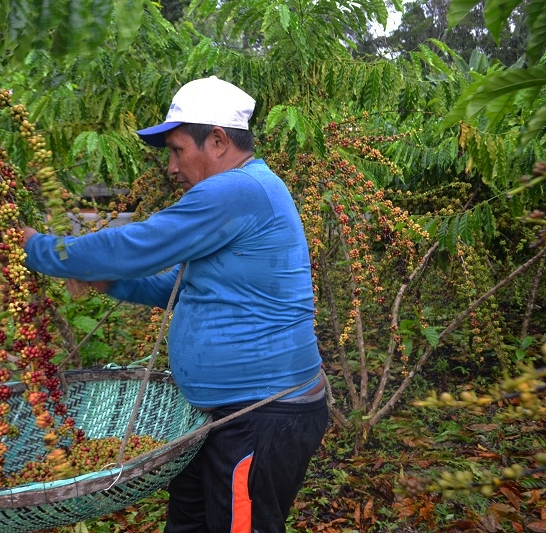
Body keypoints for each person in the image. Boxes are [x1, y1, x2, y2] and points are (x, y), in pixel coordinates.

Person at [21, 76, 328, 533]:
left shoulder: (236, 191)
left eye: (177, 149)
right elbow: (180, 286)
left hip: (261, 416)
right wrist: (109, 282)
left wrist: (42, 250)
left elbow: (136, 245)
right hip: (217, 415)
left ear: (219, 141)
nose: (170, 166)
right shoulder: (241, 194)